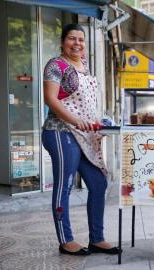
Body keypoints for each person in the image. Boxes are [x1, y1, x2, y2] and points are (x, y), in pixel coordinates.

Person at [42, 23, 119, 256]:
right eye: (72, 39)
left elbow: (89, 104)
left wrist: (101, 120)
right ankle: (66, 240)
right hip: (60, 132)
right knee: (64, 186)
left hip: (84, 135)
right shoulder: (55, 65)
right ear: (63, 41)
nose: (77, 43)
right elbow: (51, 100)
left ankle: (97, 238)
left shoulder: (84, 66)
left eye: (81, 40)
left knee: (98, 183)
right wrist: (75, 121)